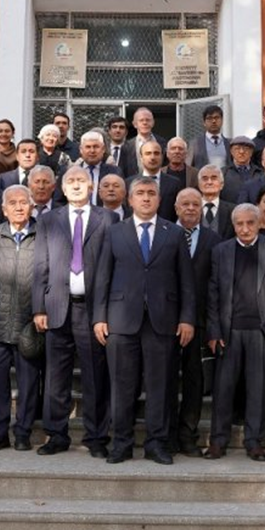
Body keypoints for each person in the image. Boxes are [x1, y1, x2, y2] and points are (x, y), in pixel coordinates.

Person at [93, 177, 196, 465]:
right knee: (121, 386)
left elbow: (186, 281)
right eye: (140, 193)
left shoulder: (174, 233)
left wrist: (187, 318)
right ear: (130, 199)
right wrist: (99, 317)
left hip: (163, 322)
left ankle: (156, 444)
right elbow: (102, 277)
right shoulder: (115, 232)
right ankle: (121, 444)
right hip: (120, 321)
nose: (146, 198)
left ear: (160, 200)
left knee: (160, 387)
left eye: (151, 193)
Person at [33, 167, 117, 457]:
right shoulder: (48, 220)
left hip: (92, 310)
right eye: (71, 181)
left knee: (95, 376)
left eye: (82, 181)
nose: (77, 185)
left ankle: (96, 437)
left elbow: (112, 267)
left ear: (91, 187)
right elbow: (40, 266)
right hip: (57, 307)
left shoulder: (108, 218)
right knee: (56, 377)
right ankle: (56, 435)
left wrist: (106, 313)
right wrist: (39, 308)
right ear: (63, 188)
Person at [205, 204, 265, 461]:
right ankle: (217, 441)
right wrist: (214, 330)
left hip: (262, 330)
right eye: (239, 224)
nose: (245, 229)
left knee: (258, 389)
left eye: (250, 223)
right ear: (233, 225)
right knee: (223, 389)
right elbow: (213, 294)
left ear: (259, 223)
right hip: (228, 331)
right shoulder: (221, 251)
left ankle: (254, 441)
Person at [0, 184, 41, 451]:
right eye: (12, 203)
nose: (18, 207)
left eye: (23, 202)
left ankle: (23, 433)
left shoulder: (43, 235)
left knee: (29, 384)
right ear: (3, 210)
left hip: (29, 325)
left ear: (32, 206)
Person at [170, 188, 223, 457]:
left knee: (194, 381)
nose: (191, 208)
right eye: (185, 204)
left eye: (195, 204)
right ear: (176, 208)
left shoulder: (214, 240)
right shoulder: (165, 234)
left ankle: (187, 435)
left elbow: (217, 286)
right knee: (165, 379)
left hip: (200, 322)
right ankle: (166, 434)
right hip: (165, 320)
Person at [127, 140, 181, 221]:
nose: (152, 157)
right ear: (141, 158)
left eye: (156, 153)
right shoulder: (129, 183)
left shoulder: (174, 184)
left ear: (162, 157)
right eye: (148, 153)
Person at [68, 130, 121, 207]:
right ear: (81, 150)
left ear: (103, 149)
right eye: (88, 147)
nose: (92, 151)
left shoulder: (114, 172)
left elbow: (120, 198)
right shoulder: (70, 173)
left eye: (96, 147)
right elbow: (59, 201)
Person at [123, 107, 168, 174]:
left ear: (153, 123)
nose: (145, 123)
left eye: (148, 120)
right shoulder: (126, 146)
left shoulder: (162, 143)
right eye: (141, 120)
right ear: (135, 124)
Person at [220, 136, 263, 203]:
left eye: (246, 149)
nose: (241, 152)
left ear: (251, 152)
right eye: (237, 148)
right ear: (231, 151)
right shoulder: (222, 173)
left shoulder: (260, 174)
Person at [198, 165, 234, 240]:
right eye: (205, 179)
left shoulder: (233, 210)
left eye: (214, 178)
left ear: (222, 185)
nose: (209, 182)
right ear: (199, 185)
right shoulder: (192, 209)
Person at [188, 105, 230, 169]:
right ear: (204, 122)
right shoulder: (195, 144)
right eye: (209, 118)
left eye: (217, 117)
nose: (214, 121)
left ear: (222, 120)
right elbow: (188, 167)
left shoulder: (229, 143)